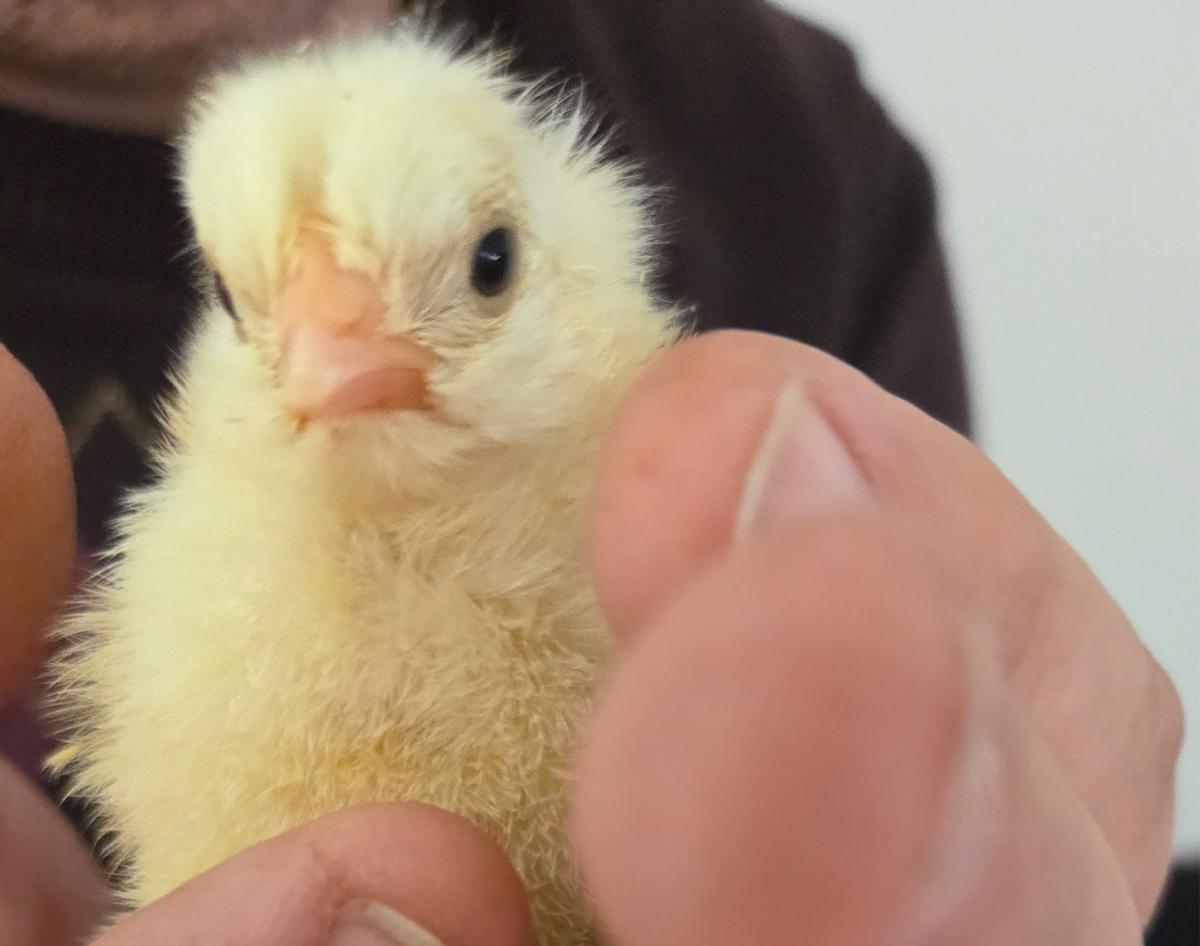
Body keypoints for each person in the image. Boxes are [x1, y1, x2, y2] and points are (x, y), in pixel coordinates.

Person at [0, 2, 1186, 944]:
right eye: (249, 301)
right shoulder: (206, 576)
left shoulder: (793, 154)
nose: (325, 350)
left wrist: (969, 835)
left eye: (486, 269)